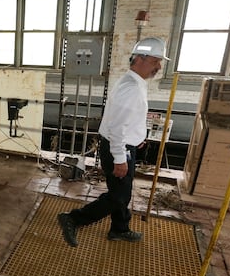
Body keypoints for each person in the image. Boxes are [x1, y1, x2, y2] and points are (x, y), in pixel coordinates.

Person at [58, 37, 170, 246]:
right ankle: (73, 218)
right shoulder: (132, 88)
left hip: (124, 145)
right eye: (156, 61)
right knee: (119, 196)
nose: (158, 66)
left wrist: (138, 138)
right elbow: (117, 126)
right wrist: (120, 158)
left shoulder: (134, 82)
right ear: (140, 59)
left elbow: (127, 119)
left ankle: (120, 228)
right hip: (118, 148)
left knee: (122, 193)